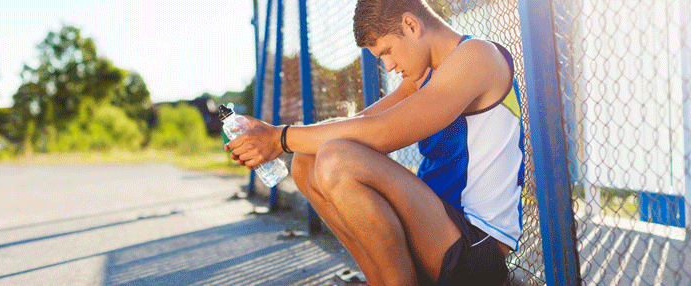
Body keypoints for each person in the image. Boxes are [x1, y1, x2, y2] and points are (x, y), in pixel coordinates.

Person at [224, 0, 523, 285]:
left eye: (387, 51)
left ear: (411, 25)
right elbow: (355, 124)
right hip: (435, 232)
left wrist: (281, 138)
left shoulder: (478, 56)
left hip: (476, 251)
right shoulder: (423, 78)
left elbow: (380, 131)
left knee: (335, 159)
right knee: (306, 160)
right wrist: (273, 136)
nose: (389, 65)